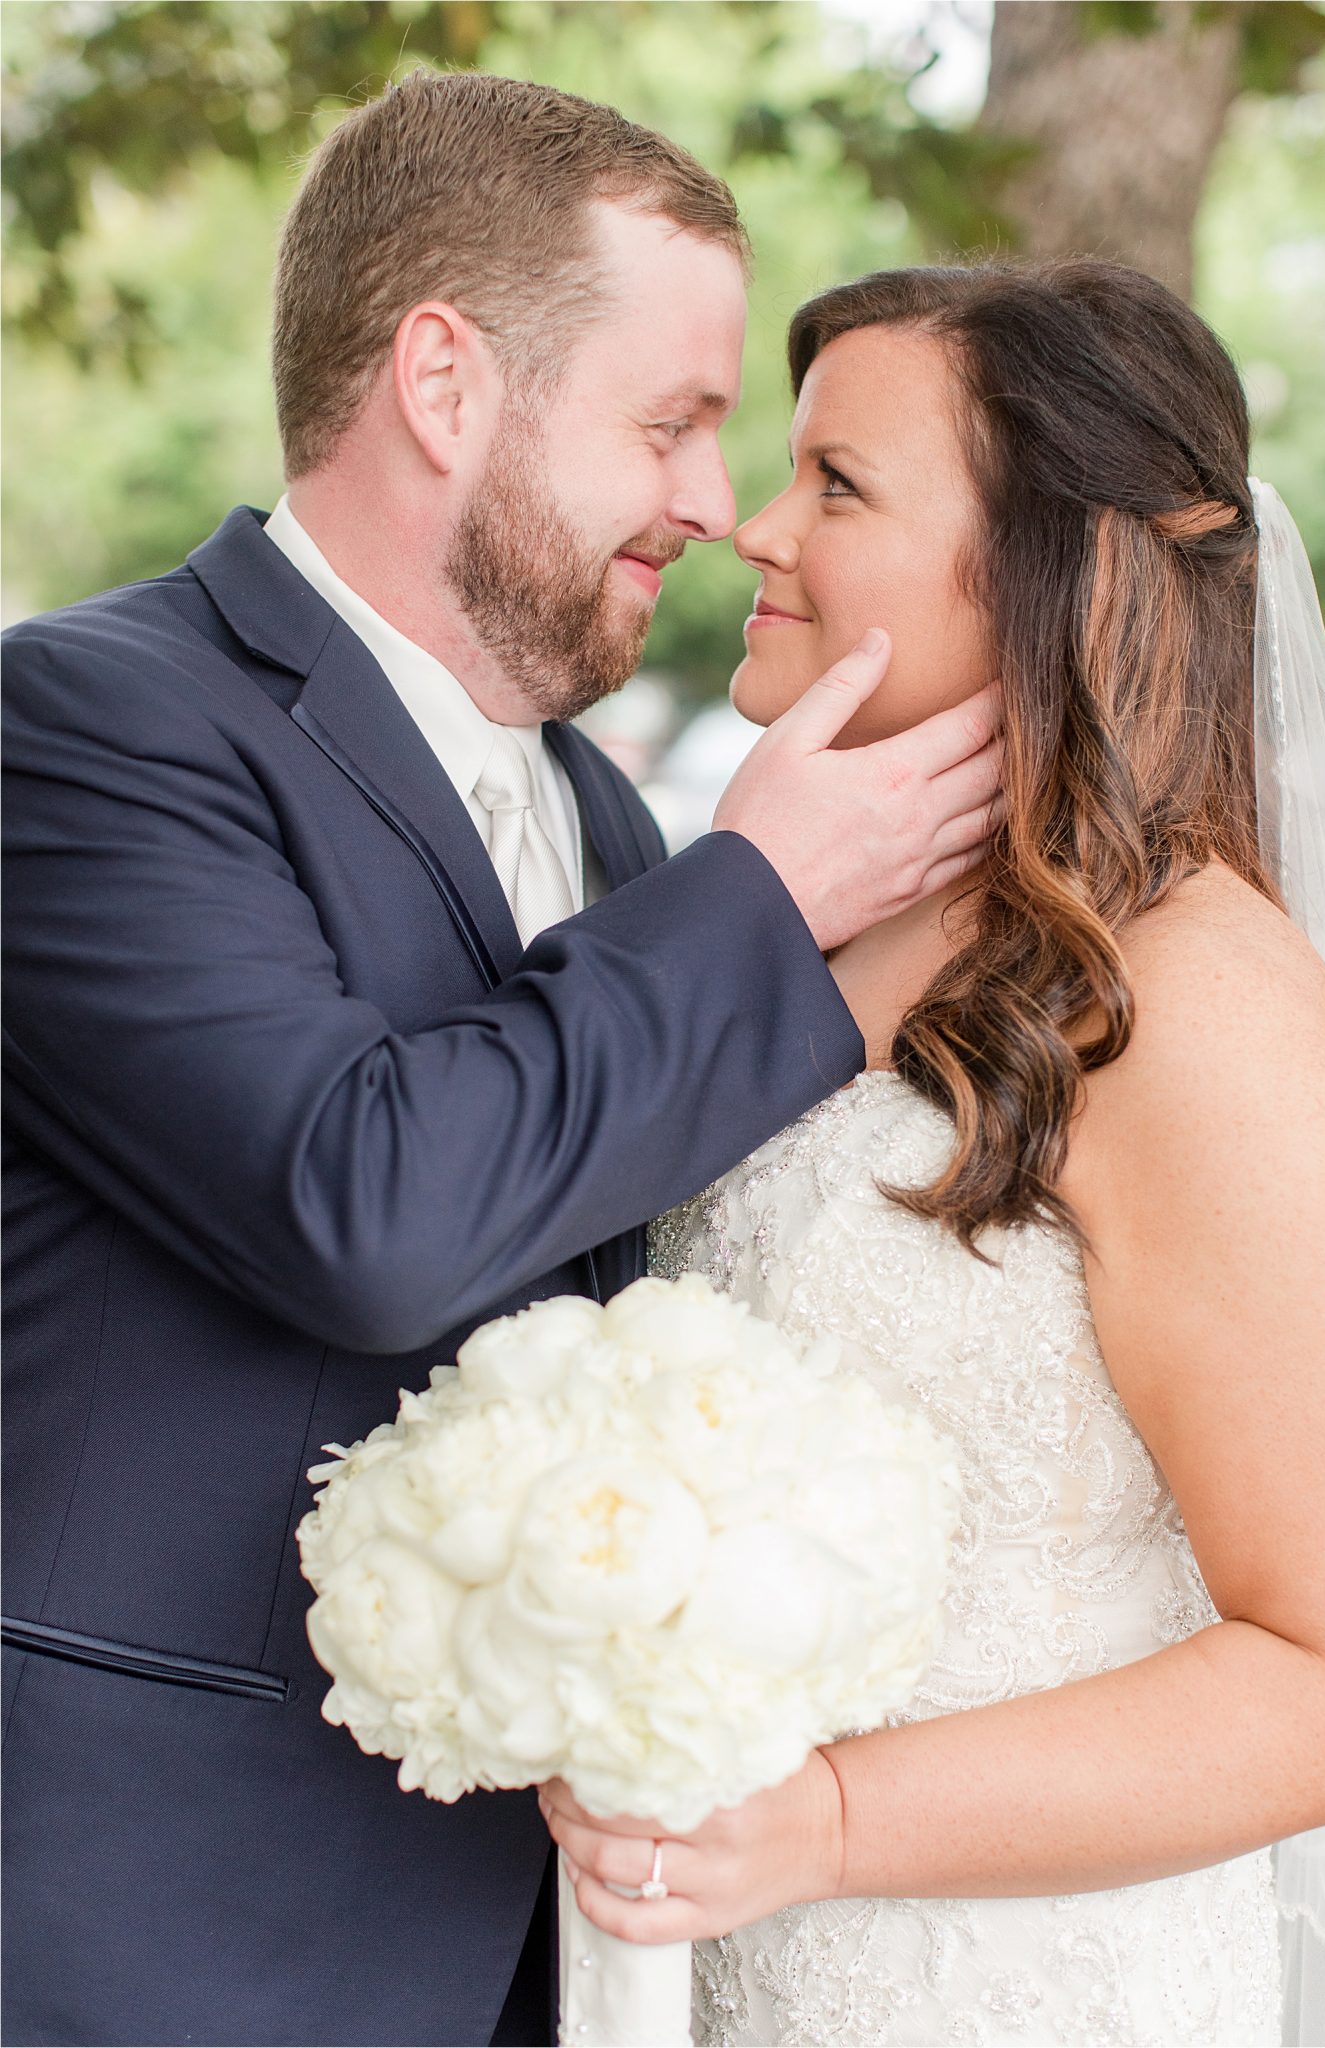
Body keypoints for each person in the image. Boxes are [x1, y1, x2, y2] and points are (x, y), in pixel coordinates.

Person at [0, 77, 1005, 2048]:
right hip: (172, 1937)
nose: (714, 508)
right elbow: (360, 1208)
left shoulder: (611, 833)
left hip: (556, 1950)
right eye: (668, 422)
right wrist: (760, 892)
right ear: (444, 385)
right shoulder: (82, 731)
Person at [540, 260, 1325, 2046]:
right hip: (709, 1971)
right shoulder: (795, 944)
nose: (752, 526)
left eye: (837, 484)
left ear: (1051, 561)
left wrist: (829, 1824)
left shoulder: (1201, 1002)